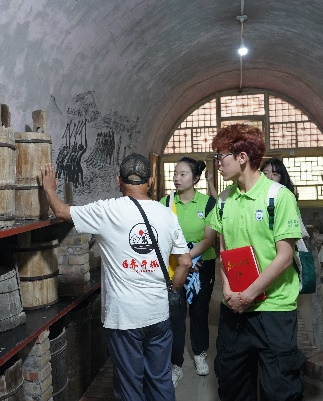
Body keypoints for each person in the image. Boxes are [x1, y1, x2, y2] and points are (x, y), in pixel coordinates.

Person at [41, 153, 192, 401]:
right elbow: (185, 262)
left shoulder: (107, 210)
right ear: (150, 182)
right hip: (158, 312)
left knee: (130, 384)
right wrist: (173, 289)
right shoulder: (167, 214)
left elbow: (60, 211)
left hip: (125, 318)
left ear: (118, 181)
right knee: (160, 379)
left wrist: (49, 189)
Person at [209, 124, 306, 401]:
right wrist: (228, 290)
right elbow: (223, 247)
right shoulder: (224, 200)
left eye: (221, 156)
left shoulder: (279, 196)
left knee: (279, 389)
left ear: (241, 157)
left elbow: (284, 257)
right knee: (232, 384)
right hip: (234, 307)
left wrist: (248, 295)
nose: (217, 163)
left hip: (273, 309)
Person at [160, 157, 217, 387]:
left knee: (199, 311)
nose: (177, 178)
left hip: (202, 266)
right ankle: (176, 364)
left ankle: (200, 353)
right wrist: (182, 260)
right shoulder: (165, 203)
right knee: (175, 315)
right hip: (174, 267)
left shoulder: (208, 203)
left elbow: (209, 238)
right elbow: (161, 237)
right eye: (175, 173)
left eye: (183, 174)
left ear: (195, 179)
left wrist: (190, 257)